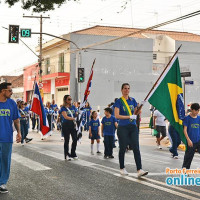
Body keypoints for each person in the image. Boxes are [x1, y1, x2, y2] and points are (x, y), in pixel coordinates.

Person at [114, 83, 148, 178]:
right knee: (123, 148)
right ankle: (122, 168)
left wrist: (141, 106)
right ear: (121, 90)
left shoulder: (132, 100)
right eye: (125, 88)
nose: (127, 90)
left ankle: (139, 169)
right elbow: (117, 115)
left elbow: (136, 112)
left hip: (133, 127)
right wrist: (129, 116)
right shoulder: (119, 101)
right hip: (123, 127)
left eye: (128, 88)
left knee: (136, 148)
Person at [0, 82, 21, 193]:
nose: (11, 92)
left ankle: (2, 182)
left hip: (7, 138)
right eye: (10, 90)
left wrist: (19, 133)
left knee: (5, 161)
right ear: (3, 91)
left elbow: (16, 120)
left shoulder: (12, 103)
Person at [182, 103, 200, 169]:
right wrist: (188, 140)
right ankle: (185, 170)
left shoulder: (199, 118)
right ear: (191, 109)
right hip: (191, 141)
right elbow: (185, 130)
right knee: (188, 157)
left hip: (198, 140)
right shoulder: (187, 118)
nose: (196, 112)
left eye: (198, 110)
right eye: (195, 110)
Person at [60, 95, 78, 161]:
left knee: (75, 139)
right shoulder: (63, 108)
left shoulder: (73, 107)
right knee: (67, 140)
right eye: (69, 99)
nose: (70, 100)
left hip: (73, 124)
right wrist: (73, 118)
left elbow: (76, 113)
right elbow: (65, 116)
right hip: (66, 124)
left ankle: (73, 153)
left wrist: (79, 113)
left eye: (71, 99)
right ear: (65, 100)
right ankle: (67, 154)